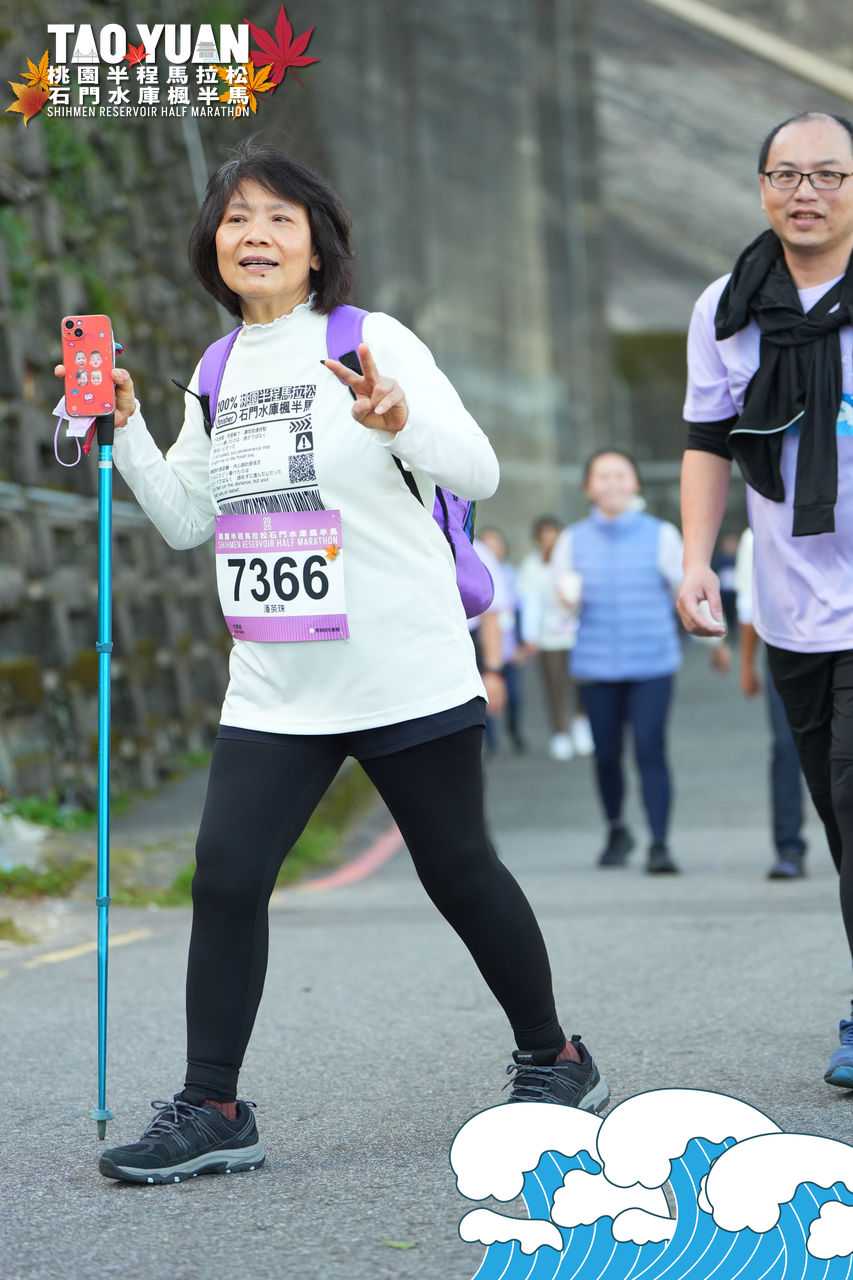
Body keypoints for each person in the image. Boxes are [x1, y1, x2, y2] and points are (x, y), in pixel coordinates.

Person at [56, 141, 609, 1184]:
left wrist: (400, 422)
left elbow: (479, 467)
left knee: (458, 869)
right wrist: (126, 428)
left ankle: (556, 1056)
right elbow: (188, 521)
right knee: (226, 876)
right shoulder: (216, 371)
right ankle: (214, 1105)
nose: (255, 235)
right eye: (236, 219)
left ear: (317, 248)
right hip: (278, 681)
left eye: (280, 218)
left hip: (404, 666)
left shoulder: (370, 338)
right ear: (212, 246)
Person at [677, 111, 853, 1089]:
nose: (805, 192)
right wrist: (697, 558)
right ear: (760, 189)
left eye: (827, 174)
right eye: (786, 174)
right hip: (789, 605)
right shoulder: (726, 308)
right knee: (837, 815)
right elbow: (708, 442)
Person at [551, 449, 683, 873]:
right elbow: (558, 607)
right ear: (588, 487)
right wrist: (565, 604)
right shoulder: (571, 540)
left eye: (620, 474)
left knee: (650, 750)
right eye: (603, 476)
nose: (612, 483)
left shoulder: (662, 535)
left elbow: (683, 593)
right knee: (606, 755)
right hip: (595, 667)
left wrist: (715, 639)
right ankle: (616, 829)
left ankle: (660, 843)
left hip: (652, 664)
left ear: (635, 482)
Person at [710, 529, 808, 879]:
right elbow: (749, 605)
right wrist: (747, 666)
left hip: (844, 646)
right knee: (786, 748)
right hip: (785, 652)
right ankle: (789, 846)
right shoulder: (757, 532)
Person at [516, 515, 594, 761]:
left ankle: (581, 723)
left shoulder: (575, 559)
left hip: (578, 632)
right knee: (554, 684)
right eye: (545, 535)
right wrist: (529, 635)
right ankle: (560, 732)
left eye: (554, 535)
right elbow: (530, 602)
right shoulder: (532, 565)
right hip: (549, 636)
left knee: (583, 681)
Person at [477, 526, 527, 753]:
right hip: (484, 646)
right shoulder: (477, 566)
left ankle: (515, 732)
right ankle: (491, 741)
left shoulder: (511, 574)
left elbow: (519, 611)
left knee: (513, 696)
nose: (492, 548)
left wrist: (521, 644)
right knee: (485, 697)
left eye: (496, 543)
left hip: (508, 647)